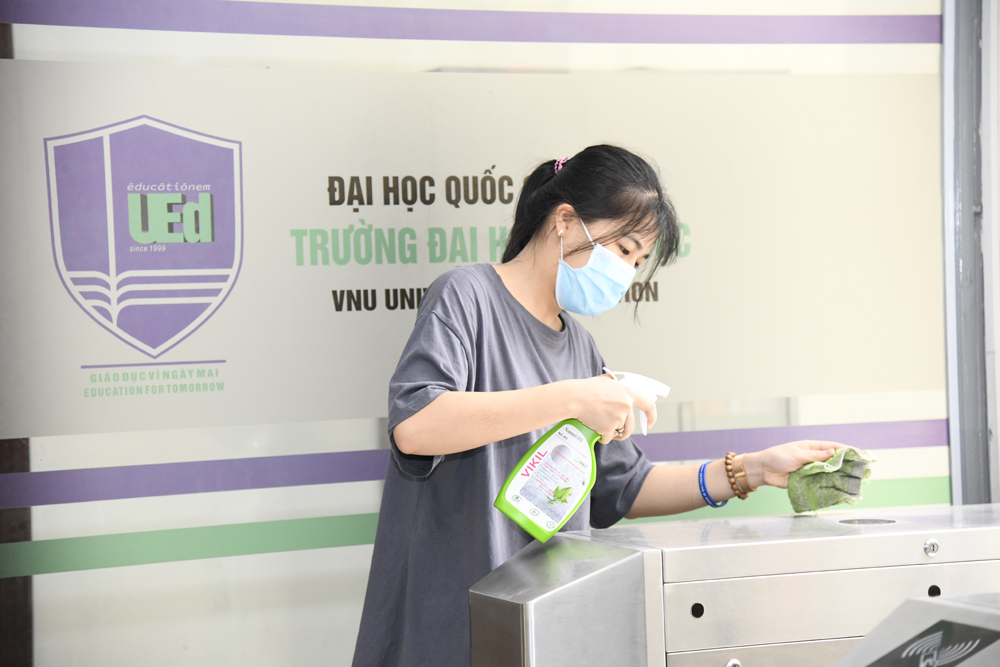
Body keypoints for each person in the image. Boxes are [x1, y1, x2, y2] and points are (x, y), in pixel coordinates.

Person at [351, 145, 841, 667]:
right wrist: (573, 397)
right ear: (564, 221)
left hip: (540, 633)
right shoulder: (466, 297)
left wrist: (751, 470)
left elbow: (623, 486)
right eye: (623, 250)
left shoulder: (579, 348)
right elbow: (417, 425)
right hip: (451, 629)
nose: (626, 274)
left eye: (637, 263)